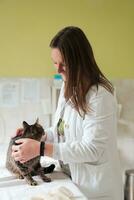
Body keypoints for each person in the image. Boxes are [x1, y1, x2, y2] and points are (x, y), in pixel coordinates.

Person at [12, 26, 123, 199]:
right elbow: (61, 129)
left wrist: (40, 148)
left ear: (81, 61)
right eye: (55, 62)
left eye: (64, 64)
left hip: (96, 190)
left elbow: (92, 149)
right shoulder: (67, 85)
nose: (57, 70)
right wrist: (37, 137)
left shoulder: (100, 95)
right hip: (72, 181)